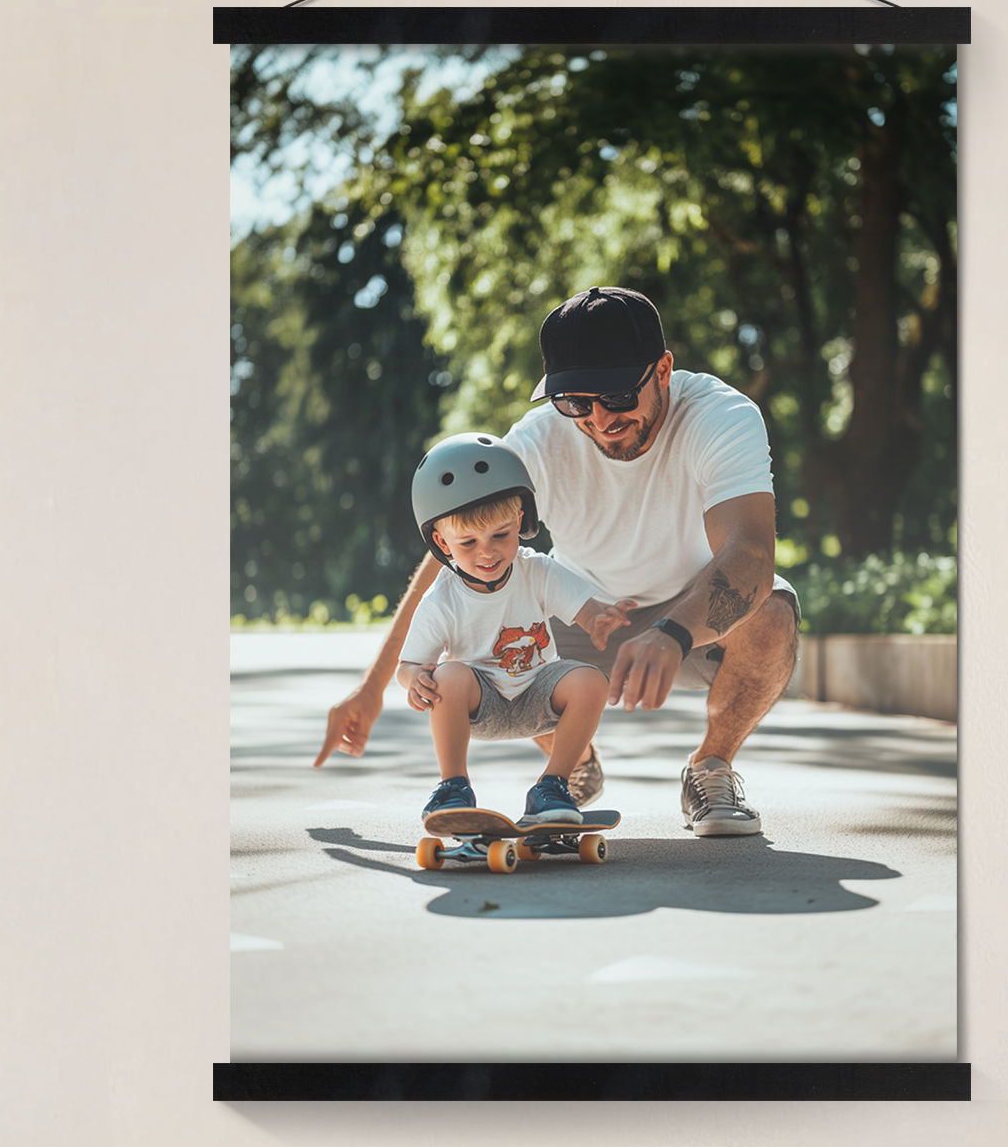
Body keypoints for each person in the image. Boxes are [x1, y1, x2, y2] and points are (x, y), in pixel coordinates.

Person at [319, 288, 800, 838]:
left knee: (770, 615)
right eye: (574, 401)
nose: (599, 418)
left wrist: (672, 632)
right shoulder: (535, 444)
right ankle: (572, 767)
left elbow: (752, 553)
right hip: (578, 614)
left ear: (663, 369)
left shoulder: (720, 416)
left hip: (694, 612)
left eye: (618, 395)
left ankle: (711, 767)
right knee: (484, 618)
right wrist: (372, 687)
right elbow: (450, 561)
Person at [398, 434, 633, 828]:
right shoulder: (442, 598)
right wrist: (415, 680)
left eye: (500, 536)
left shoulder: (536, 570)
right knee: (448, 674)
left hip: (539, 694)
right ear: (442, 542)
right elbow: (408, 665)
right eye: (468, 542)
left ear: (520, 522)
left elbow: (585, 609)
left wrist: (599, 619)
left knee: (591, 681)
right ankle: (453, 787)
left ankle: (552, 786)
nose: (487, 553)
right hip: (481, 703)